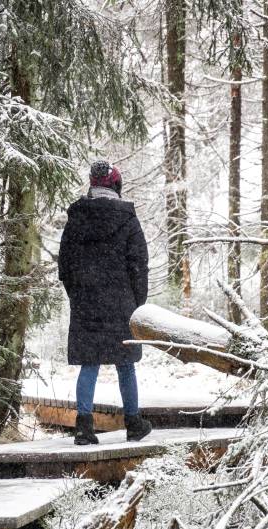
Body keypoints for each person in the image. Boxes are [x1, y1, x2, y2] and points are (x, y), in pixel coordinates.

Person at [57, 160, 152, 445]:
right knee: (126, 364)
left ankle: (84, 428)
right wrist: (137, 303)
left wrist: (78, 294)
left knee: (89, 364)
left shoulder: (77, 219)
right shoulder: (127, 219)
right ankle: (133, 423)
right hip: (122, 303)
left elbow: (65, 266)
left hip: (86, 302)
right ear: (116, 186)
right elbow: (139, 265)